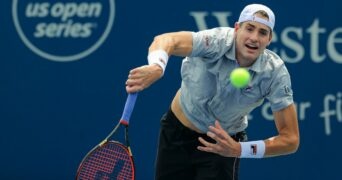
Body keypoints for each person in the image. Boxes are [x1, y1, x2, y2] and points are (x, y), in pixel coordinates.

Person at [125, 3, 300, 180]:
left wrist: (240, 150)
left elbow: (290, 140)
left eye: (263, 32)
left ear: (269, 39)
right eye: (250, 28)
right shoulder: (216, 41)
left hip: (221, 146)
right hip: (176, 134)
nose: (254, 38)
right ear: (237, 28)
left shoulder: (275, 73)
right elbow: (168, 40)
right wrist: (157, 66)